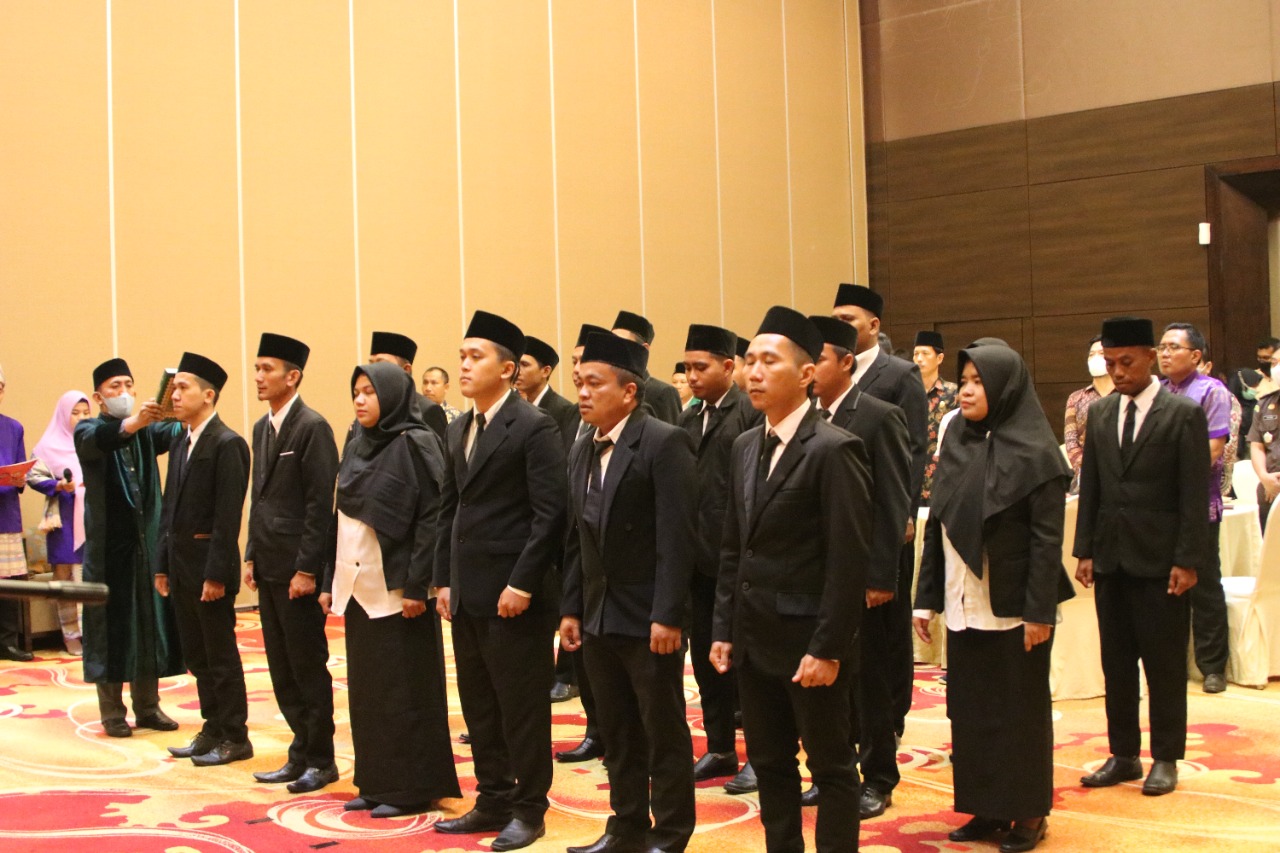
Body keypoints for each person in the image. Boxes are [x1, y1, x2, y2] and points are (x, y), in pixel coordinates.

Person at [711, 306, 872, 853]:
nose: (754, 372)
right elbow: (733, 547)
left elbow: (848, 562)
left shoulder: (835, 449)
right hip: (754, 639)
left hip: (809, 644)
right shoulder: (744, 446)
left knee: (831, 767)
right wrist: (724, 628)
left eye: (769, 362)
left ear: (806, 374)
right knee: (770, 763)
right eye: (750, 361)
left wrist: (828, 648)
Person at [913, 343, 1074, 853]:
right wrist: (925, 598)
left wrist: (1039, 611)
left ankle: (1028, 813)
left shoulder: (1037, 450)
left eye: (978, 381)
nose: (965, 390)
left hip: (1014, 607)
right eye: (963, 380)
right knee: (971, 712)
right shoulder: (957, 436)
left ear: (1005, 387)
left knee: (1018, 715)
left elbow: (1046, 541)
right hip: (962, 601)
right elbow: (938, 523)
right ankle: (984, 807)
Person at [433, 311, 568, 852]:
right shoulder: (458, 427)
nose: (464, 366)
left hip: (515, 596)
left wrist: (523, 584)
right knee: (480, 704)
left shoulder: (535, 426)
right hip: (468, 592)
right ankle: (492, 797)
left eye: (476, 357)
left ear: (508, 369)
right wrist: (443, 579)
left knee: (522, 707)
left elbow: (549, 515)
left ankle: (530, 808)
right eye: (462, 356)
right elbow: (449, 509)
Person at [560, 331, 698, 853]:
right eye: (580, 382)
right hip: (598, 614)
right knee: (616, 730)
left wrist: (669, 614)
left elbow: (677, 537)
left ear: (629, 391)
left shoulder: (663, 442)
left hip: (648, 617)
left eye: (595, 383)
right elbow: (577, 537)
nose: (583, 393)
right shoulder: (582, 446)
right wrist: (571, 607)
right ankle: (626, 826)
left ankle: (671, 832)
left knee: (661, 730)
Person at [1074, 316, 1209, 798]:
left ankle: (1166, 757)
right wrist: (1085, 549)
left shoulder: (1182, 414)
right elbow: (1091, 487)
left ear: (1150, 358)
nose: (1117, 371)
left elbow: (1194, 495)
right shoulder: (1101, 414)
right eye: (1110, 363)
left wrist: (1187, 560)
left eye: (1126, 362)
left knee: (1164, 664)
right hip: (1111, 559)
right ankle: (1124, 754)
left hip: (1161, 562)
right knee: (1116, 664)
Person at [319, 362, 461, 817]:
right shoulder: (357, 443)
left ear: (394, 396)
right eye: (355, 392)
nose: (360, 400)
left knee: (405, 692)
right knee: (368, 693)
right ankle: (376, 782)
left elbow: (431, 518)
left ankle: (411, 788)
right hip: (358, 587)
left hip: (400, 592)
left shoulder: (416, 442)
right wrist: (330, 579)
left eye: (369, 392)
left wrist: (418, 585)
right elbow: (341, 517)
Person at [808, 315, 912, 819]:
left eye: (818, 359)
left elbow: (893, 502)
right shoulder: (805, 417)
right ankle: (835, 772)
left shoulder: (877, 416)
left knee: (870, 681)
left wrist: (880, 575)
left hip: (864, 575)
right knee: (829, 683)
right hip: (817, 576)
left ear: (846, 362)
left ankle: (879, 776)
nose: (809, 368)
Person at [243, 334, 340, 793]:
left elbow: (321, 506)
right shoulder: (262, 427)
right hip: (268, 565)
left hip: (297, 571)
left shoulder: (312, 426)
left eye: (267, 369)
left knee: (306, 666)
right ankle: (299, 751)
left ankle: (321, 758)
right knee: (281, 668)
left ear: (293, 375)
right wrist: (250, 553)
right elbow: (259, 497)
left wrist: (308, 569)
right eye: (257, 368)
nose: (258, 377)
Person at [832, 283, 927, 739]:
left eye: (847, 319)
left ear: (873, 325)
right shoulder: (830, 371)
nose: (839, 326)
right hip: (846, 520)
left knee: (888, 626)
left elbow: (914, 449)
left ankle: (892, 714)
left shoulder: (899, 374)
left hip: (887, 518)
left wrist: (904, 512)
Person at [75, 359, 184, 737]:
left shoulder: (146, 432)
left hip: (147, 547)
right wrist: (136, 422)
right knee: (110, 629)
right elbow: (104, 439)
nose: (123, 392)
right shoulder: (88, 429)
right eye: (114, 387)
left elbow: (177, 430)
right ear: (98, 397)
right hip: (108, 552)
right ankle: (112, 714)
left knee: (147, 623)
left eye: (128, 385)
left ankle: (148, 708)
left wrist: (178, 404)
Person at [154, 353, 252, 766]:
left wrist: (216, 574)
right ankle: (212, 728)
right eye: (174, 387)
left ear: (208, 395)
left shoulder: (228, 444)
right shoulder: (181, 440)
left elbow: (228, 519)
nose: (174, 395)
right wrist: (162, 563)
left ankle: (235, 735)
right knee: (196, 655)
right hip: (181, 568)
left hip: (210, 571)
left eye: (183, 388)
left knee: (220, 656)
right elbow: (169, 506)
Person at [679, 324, 762, 791]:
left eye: (701, 367)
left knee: (747, 663)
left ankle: (761, 755)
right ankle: (720, 746)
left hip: (738, 561)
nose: (691, 376)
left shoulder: (747, 411)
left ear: (729, 367)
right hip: (698, 559)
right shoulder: (690, 417)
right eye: (687, 367)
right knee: (706, 657)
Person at [1156, 322, 1231, 694]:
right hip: (1158, 508)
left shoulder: (1211, 391)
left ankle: (1212, 666)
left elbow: (1214, 450)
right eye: (1161, 347)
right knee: (1163, 587)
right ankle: (1171, 663)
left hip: (1198, 504)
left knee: (1204, 584)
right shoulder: (1156, 391)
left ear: (1196, 355)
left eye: (1174, 347)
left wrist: (1167, 473)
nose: (1165, 354)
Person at [518, 334, 582, 704]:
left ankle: (567, 674)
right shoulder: (515, 408)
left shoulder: (564, 411)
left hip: (557, 516)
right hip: (525, 522)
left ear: (545, 371)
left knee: (565, 602)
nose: (518, 371)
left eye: (525, 365)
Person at [27, 390, 93, 655]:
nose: (81, 418)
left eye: (86, 413)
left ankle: (92, 634)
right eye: (75, 413)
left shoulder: (94, 441)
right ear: (63, 415)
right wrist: (58, 485)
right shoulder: (47, 446)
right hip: (63, 517)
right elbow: (33, 476)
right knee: (64, 573)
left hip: (92, 517)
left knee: (89, 574)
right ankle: (70, 634)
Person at [0, 364, 31, 661]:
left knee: (8, 583)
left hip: (6, 513)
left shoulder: (13, 427)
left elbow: (21, 467)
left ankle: (8, 642)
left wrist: (20, 479)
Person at [368, 331, 448, 441]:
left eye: (381, 364)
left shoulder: (427, 410)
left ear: (405, 370)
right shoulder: (369, 408)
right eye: (371, 364)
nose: (372, 371)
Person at [611, 311, 683, 424]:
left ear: (643, 348)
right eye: (611, 342)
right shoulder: (610, 388)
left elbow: (673, 434)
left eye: (621, 343)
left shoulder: (662, 393)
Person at [1064, 335, 1114, 495]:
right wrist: (1088, 469)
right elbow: (1071, 442)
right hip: (1084, 480)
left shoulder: (1125, 395)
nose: (1095, 358)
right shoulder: (1076, 398)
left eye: (1101, 353)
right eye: (1091, 354)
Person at [913, 330, 957, 505]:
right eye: (916, 354)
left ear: (939, 358)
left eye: (925, 353)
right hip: (912, 480)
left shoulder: (954, 394)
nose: (919, 359)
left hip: (944, 478)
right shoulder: (906, 392)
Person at [1248, 354, 1280, 531]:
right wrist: (1264, 476)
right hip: (1270, 488)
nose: (1276, 368)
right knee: (1270, 542)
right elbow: (1257, 445)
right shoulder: (1265, 403)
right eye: (1274, 363)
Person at [1229, 336, 1278, 444]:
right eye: (1259, 358)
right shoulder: (1249, 379)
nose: (1262, 361)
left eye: (1266, 358)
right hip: (1253, 437)